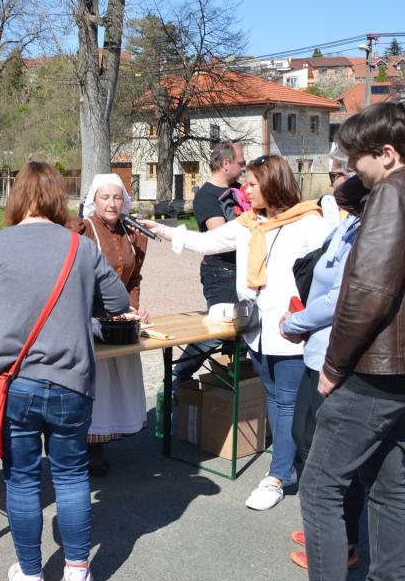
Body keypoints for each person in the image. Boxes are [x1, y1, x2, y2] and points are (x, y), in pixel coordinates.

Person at [0, 162, 130, 581]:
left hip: (14, 382)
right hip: (70, 382)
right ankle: (77, 570)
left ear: (17, 197)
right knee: (72, 476)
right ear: (59, 198)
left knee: (22, 481)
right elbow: (117, 302)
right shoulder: (81, 247)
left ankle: (30, 572)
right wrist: (80, 303)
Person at [141, 155, 329, 510]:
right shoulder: (249, 224)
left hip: (292, 332)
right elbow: (207, 242)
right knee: (274, 397)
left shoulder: (309, 223)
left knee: (287, 401)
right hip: (257, 330)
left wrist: (306, 316)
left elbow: (329, 276)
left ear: (273, 184)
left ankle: (278, 476)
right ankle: (289, 464)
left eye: (253, 184)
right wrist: (162, 231)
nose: (246, 190)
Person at [300, 102, 405, 581]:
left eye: (356, 159)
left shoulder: (393, 193)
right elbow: (347, 192)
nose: (351, 170)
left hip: (373, 372)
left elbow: (368, 291)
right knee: (389, 485)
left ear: (387, 154)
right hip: (397, 376)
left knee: (319, 486)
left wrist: (334, 366)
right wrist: (363, 177)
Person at [279, 172, 368, 571]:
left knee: (333, 459)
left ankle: (344, 545)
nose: (336, 181)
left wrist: (295, 323)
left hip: (335, 356)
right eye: (333, 174)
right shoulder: (346, 223)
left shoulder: (367, 231)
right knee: (305, 439)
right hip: (316, 352)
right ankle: (325, 528)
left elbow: (339, 297)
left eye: (344, 173)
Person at [71, 174, 148, 475]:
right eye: (105, 197)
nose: (112, 203)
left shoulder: (131, 234)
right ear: (94, 200)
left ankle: (109, 435)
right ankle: (89, 448)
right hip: (88, 319)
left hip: (120, 321)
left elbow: (134, 277)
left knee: (118, 382)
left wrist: (133, 309)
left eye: (117, 197)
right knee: (97, 385)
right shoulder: (84, 230)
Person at [172, 141, 246, 394]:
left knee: (242, 333)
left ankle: (236, 392)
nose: (244, 168)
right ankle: (178, 377)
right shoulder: (206, 196)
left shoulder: (241, 190)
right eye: (241, 163)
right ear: (226, 164)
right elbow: (221, 237)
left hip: (243, 272)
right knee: (217, 331)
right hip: (220, 274)